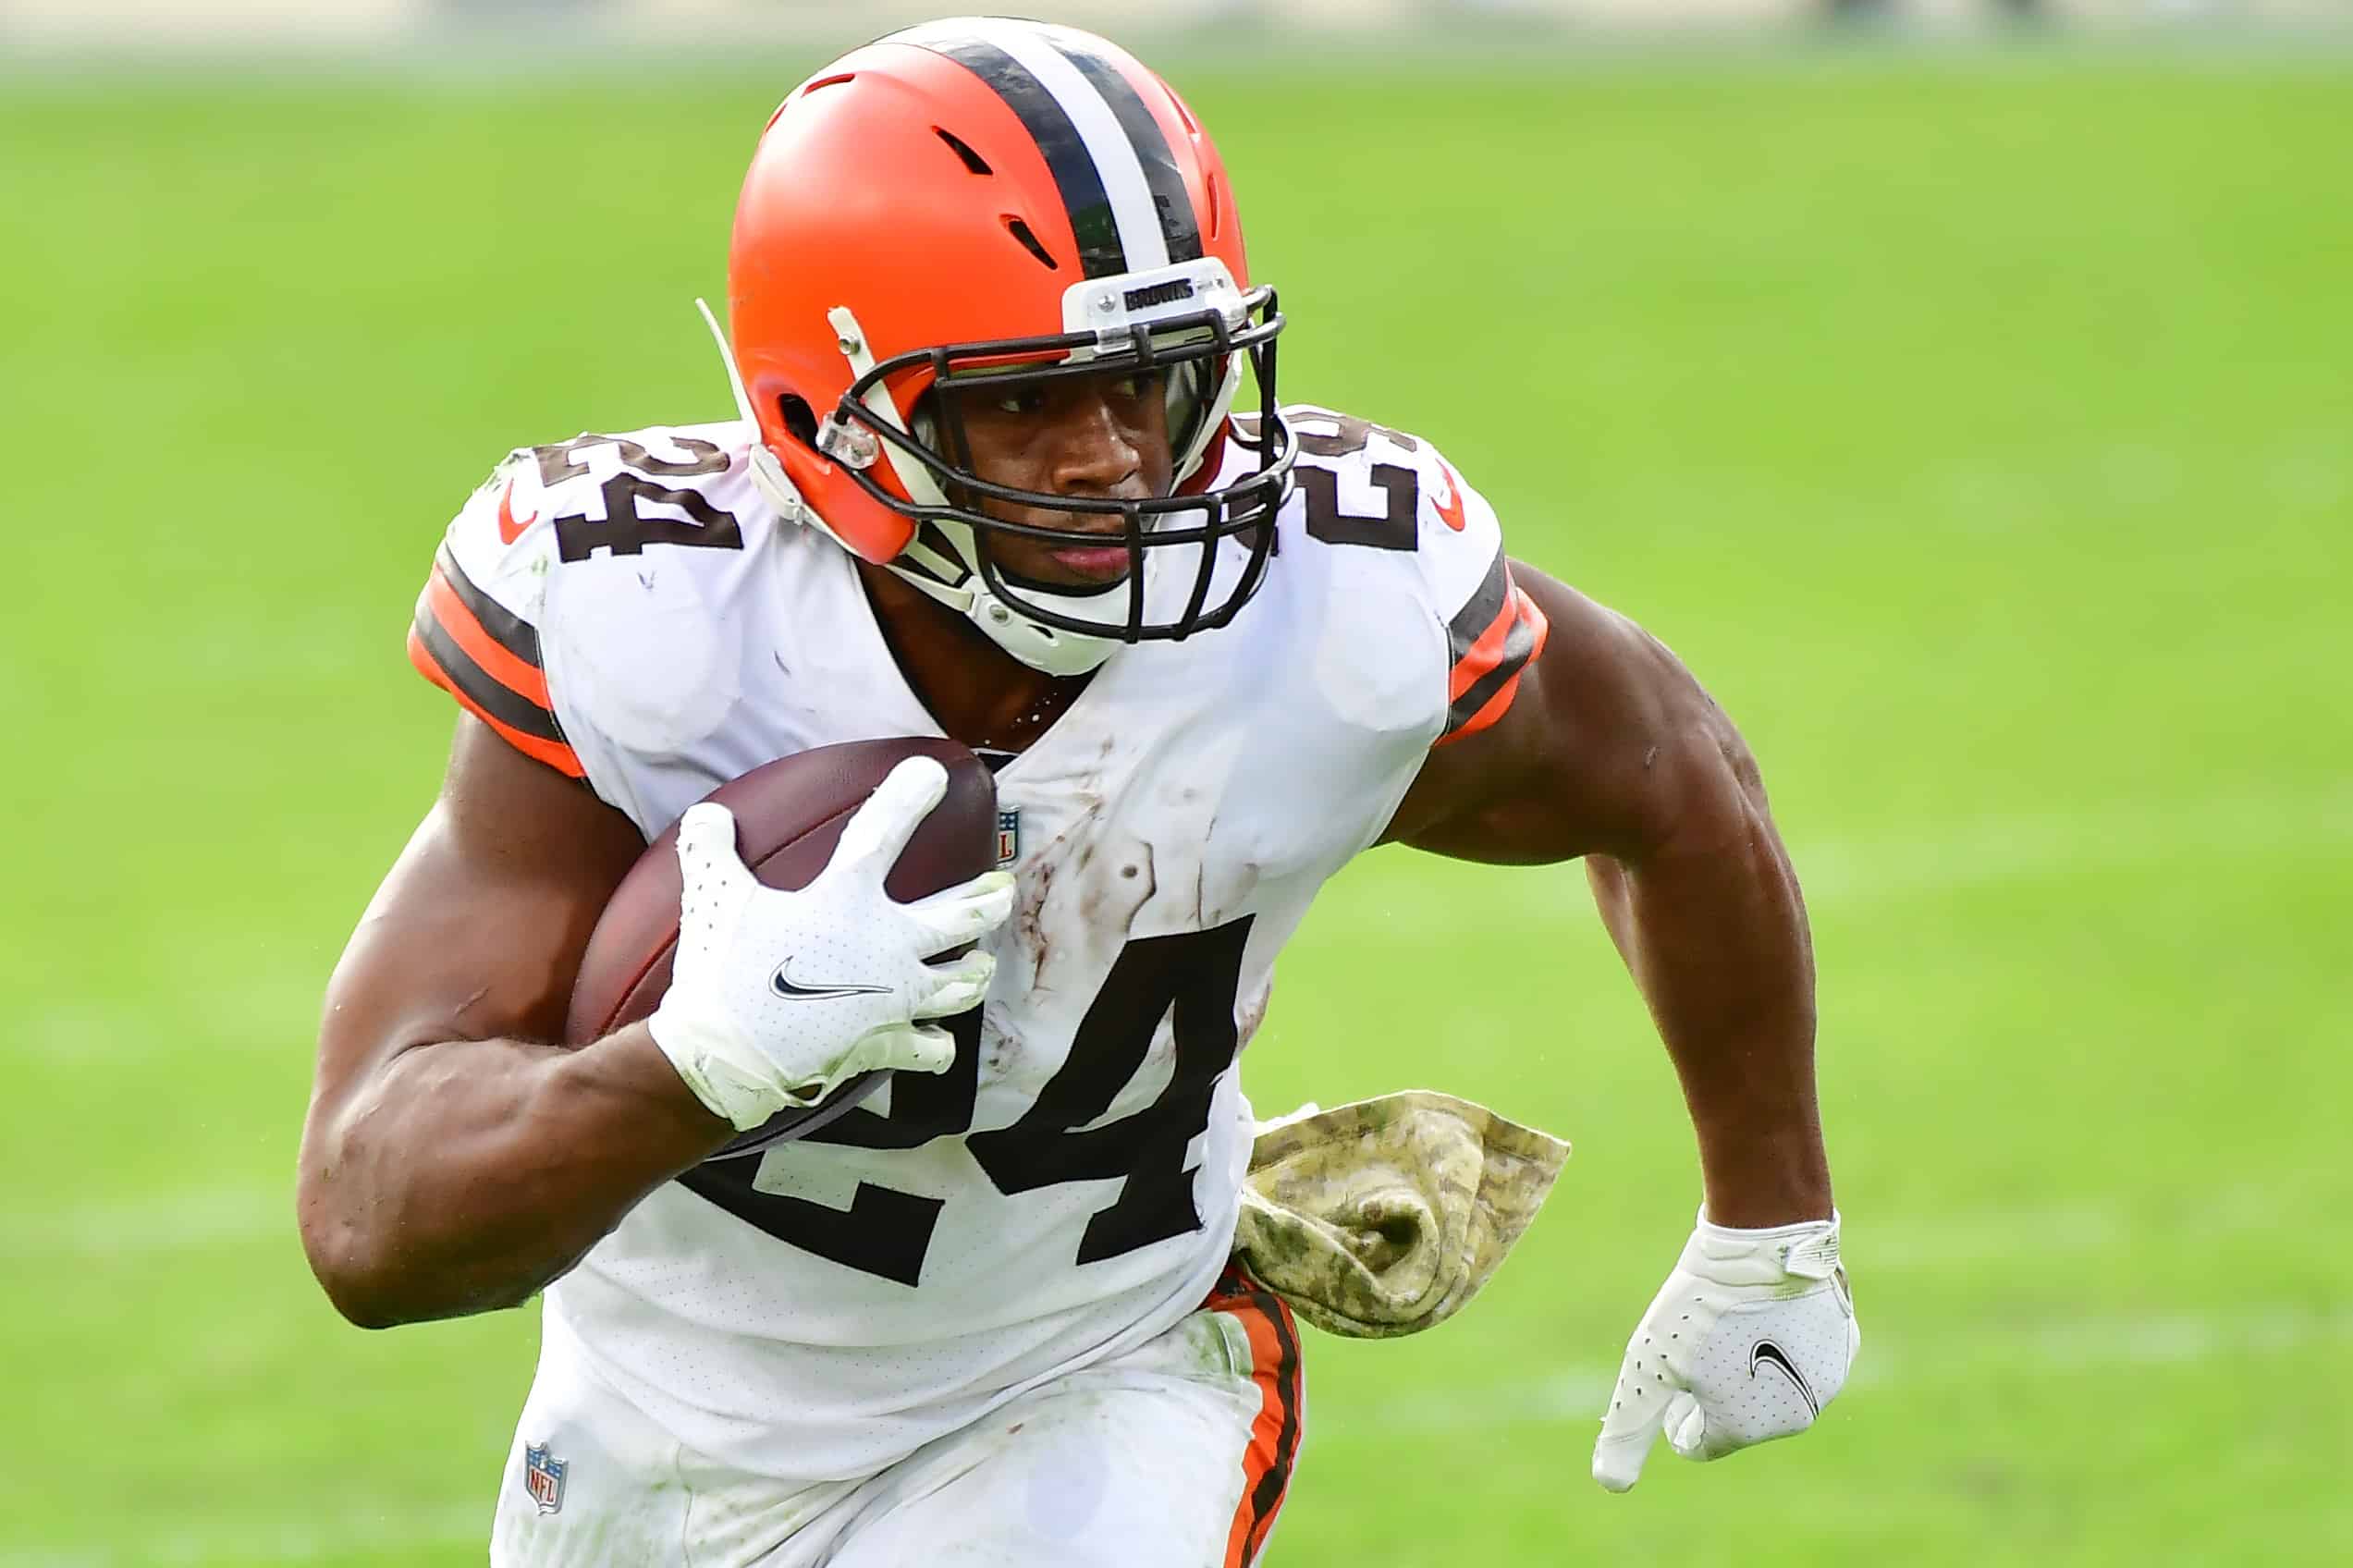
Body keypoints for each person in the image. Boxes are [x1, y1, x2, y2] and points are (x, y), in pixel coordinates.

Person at [296, 17, 1857, 1566]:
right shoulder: (658, 624)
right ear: (822, 411)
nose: (1112, 458)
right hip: (664, 1416)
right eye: (1027, 399)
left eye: (1155, 381)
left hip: (1097, 1374)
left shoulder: (1333, 602)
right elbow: (373, 1227)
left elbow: (1675, 784)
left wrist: (1768, 1229)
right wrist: (697, 1062)